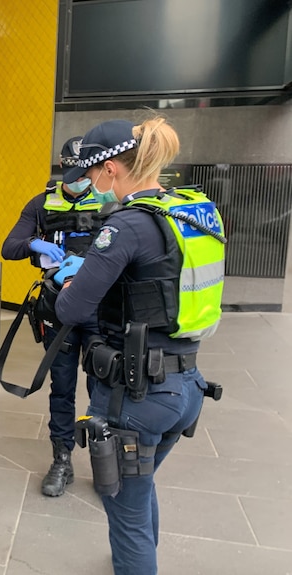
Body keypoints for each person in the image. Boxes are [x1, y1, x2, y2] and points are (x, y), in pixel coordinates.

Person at [55, 118, 225, 574]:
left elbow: (72, 309)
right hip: (185, 384)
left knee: (125, 513)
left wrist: (69, 279)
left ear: (111, 168)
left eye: (90, 176)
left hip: (136, 395)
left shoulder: (127, 224)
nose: (90, 186)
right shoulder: (185, 210)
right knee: (140, 487)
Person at [0, 137, 103, 497]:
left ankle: (106, 460)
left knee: (101, 385)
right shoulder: (42, 204)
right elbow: (8, 247)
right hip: (58, 307)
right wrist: (33, 243)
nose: (80, 179)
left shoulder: (110, 203)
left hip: (99, 309)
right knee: (62, 388)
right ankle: (62, 459)